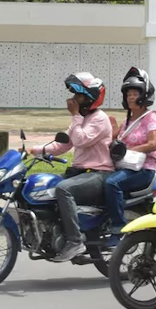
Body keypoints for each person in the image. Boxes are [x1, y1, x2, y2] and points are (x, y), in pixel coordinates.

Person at [28, 72, 113, 262]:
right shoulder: (81, 119)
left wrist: (75, 116)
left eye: (78, 95)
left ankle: (75, 241)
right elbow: (63, 145)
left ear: (89, 98)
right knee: (44, 187)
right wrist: (35, 150)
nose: (73, 99)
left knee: (63, 190)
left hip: (99, 174)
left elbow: (80, 140)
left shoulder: (100, 119)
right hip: (80, 173)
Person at [104, 67, 156, 246]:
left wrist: (131, 150)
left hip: (143, 170)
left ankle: (118, 226)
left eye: (135, 93)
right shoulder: (127, 120)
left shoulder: (150, 117)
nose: (130, 97)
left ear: (144, 95)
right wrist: (112, 132)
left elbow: (153, 144)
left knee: (111, 183)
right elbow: (118, 141)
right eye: (128, 93)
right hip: (125, 167)